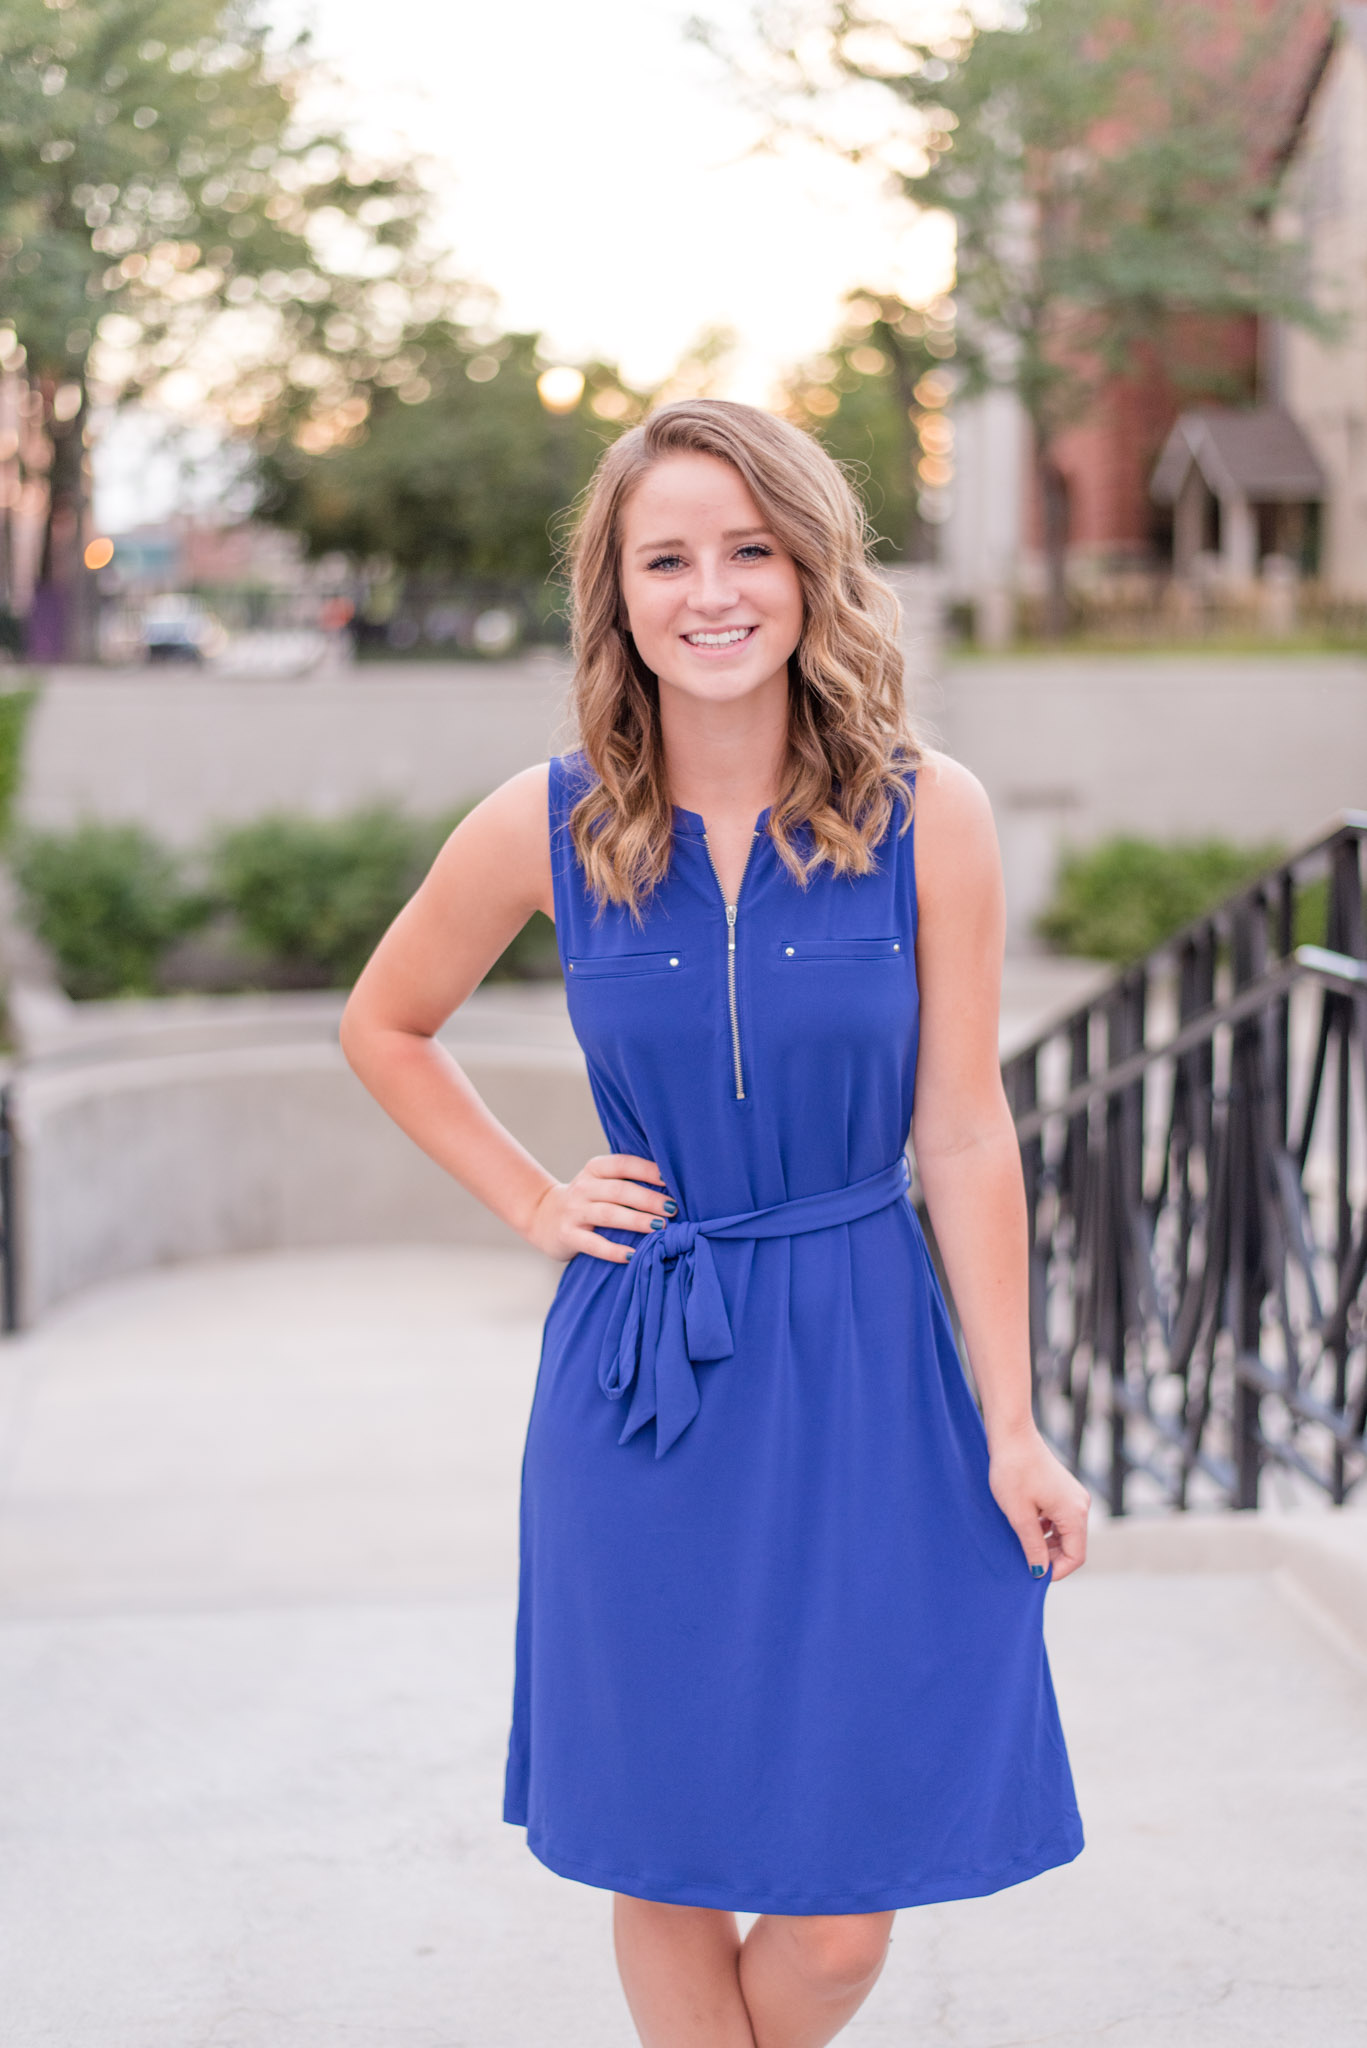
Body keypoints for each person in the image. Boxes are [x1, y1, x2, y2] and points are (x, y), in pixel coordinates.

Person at [340, 398, 1090, 2048]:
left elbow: (964, 1130)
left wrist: (1015, 1424)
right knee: (664, 1847)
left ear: (814, 573)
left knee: (836, 1925)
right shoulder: (546, 823)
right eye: (667, 557)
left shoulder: (926, 812)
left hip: (870, 1363)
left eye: (751, 549)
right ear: (617, 593)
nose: (715, 591)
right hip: (646, 1382)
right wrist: (537, 1196)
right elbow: (384, 1024)